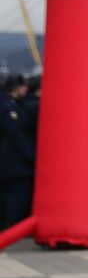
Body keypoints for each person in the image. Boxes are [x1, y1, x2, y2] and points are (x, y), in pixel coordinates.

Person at [1, 75, 36, 229]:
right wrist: (30, 155)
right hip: (13, 161)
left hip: (12, 160)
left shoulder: (14, 104)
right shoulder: (9, 108)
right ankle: (11, 223)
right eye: (22, 86)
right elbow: (17, 135)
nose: (26, 89)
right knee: (15, 193)